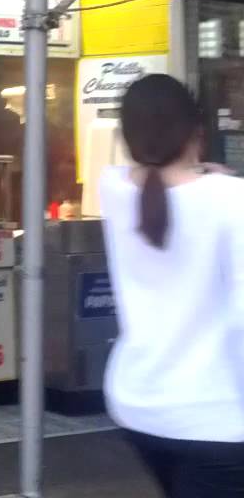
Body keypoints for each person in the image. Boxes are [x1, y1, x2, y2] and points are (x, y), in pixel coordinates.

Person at [100, 74, 244, 496]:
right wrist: (208, 171)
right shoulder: (230, 199)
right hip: (216, 418)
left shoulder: (114, 188)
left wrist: (200, 168)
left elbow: (150, 175)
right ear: (197, 132)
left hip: (138, 406)